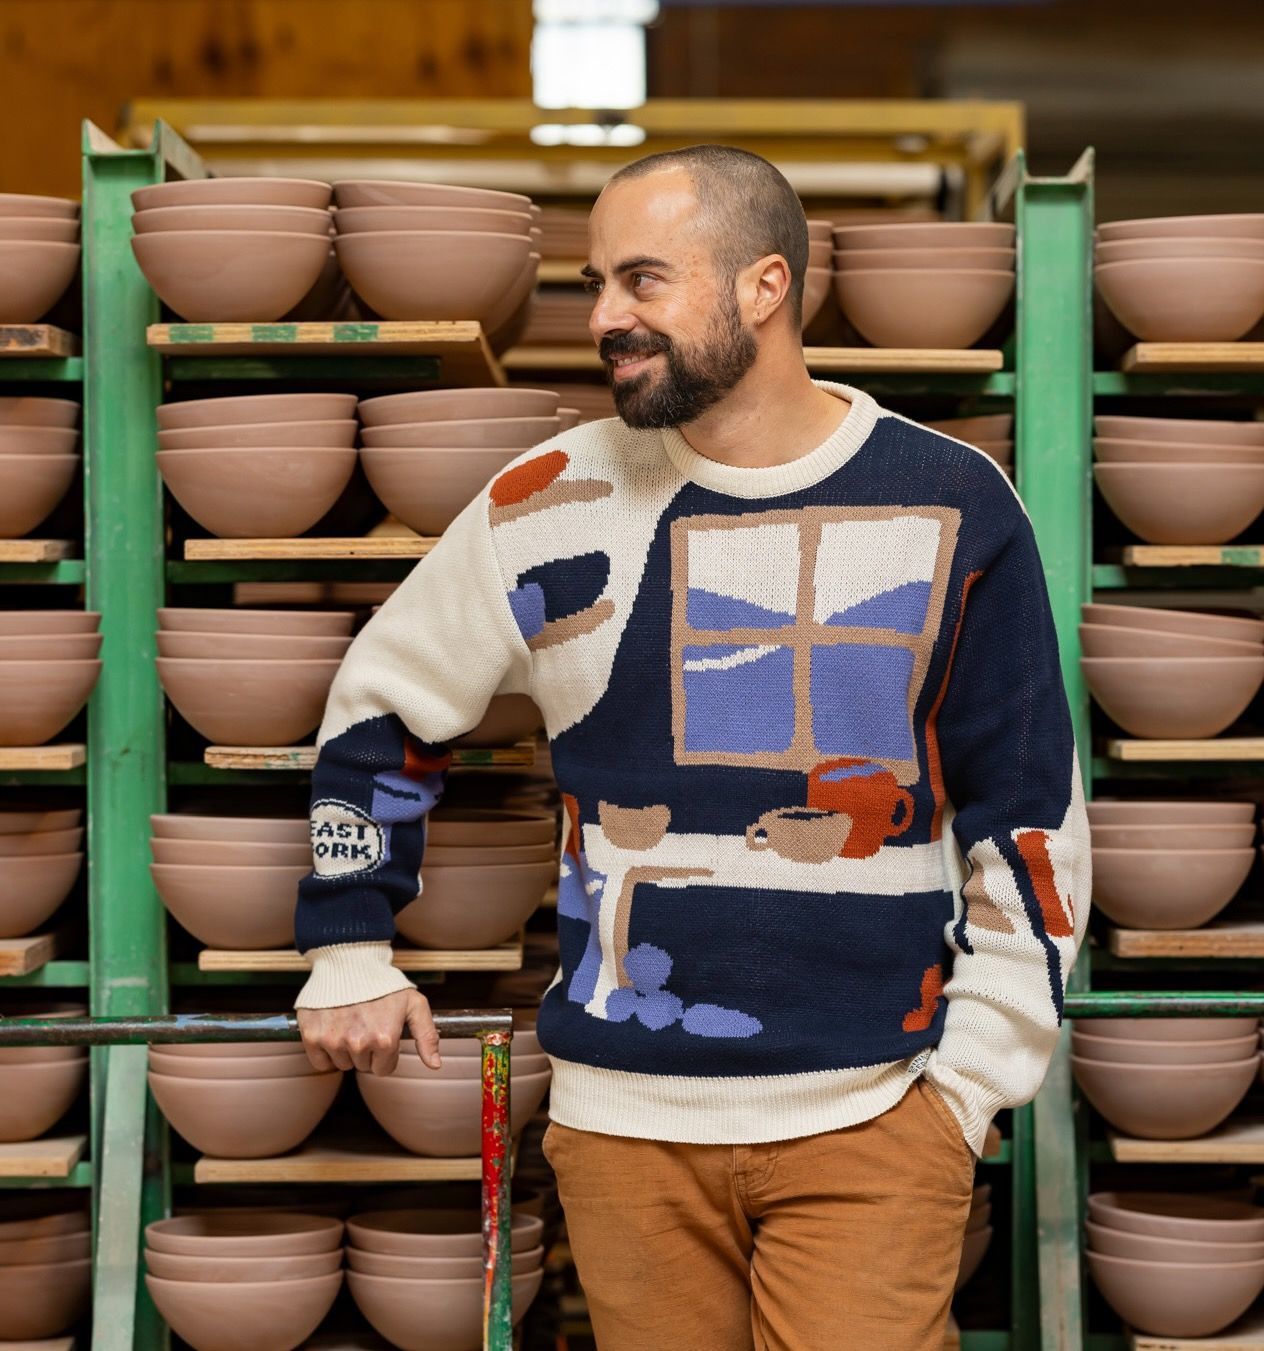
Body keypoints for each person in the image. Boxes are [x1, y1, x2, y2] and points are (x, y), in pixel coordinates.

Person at [294, 144, 1090, 1351]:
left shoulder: (953, 500)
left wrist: (970, 1085)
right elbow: (381, 706)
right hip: (622, 1131)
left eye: (643, 279)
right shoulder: (545, 500)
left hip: (874, 1119)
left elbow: (1028, 815)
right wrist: (349, 942)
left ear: (764, 286)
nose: (603, 317)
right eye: (595, 283)